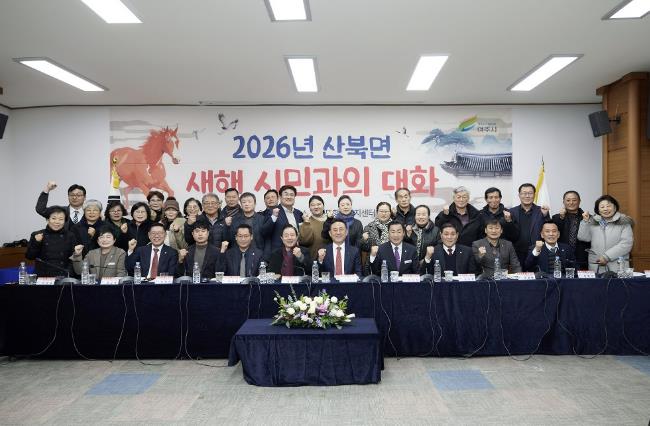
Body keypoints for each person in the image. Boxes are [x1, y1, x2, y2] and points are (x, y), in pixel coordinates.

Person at [578, 195, 634, 272]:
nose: (605, 209)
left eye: (608, 206)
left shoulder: (624, 222)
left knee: (617, 280)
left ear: (615, 208)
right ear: (598, 210)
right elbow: (583, 237)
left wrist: (606, 257)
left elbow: (626, 244)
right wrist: (585, 222)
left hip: (617, 264)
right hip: (597, 264)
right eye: (602, 207)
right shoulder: (593, 222)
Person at [25, 206, 77, 277]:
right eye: (53, 218)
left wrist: (68, 274)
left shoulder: (70, 236)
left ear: (65, 221)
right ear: (47, 219)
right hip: (43, 276)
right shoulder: (37, 234)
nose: (57, 222)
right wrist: (36, 242)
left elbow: (73, 259)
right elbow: (29, 256)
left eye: (61, 219)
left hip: (64, 275)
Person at [509, 183, 550, 267]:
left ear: (534, 195)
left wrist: (545, 215)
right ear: (519, 195)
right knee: (518, 274)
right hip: (517, 252)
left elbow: (548, 228)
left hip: (536, 250)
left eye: (530, 193)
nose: (527, 196)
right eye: (524, 193)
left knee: (537, 274)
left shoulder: (541, 210)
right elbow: (508, 232)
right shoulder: (512, 212)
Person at [224, 192, 272, 257]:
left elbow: (267, 240)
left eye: (249, 202)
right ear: (241, 205)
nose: (246, 204)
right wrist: (227, 226)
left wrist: (265, 258)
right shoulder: (235, 220)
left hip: (259, 255)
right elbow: (231, 239)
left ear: (255, 204)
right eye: (244, 202)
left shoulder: (262, 219)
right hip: (239, 256)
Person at [552, 190, 590, 267]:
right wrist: (561, 218)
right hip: (561, 256)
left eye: (574, 200)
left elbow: (589, 237)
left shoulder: (588, 218)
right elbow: (554, 235)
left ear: (579, 201)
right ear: (563, 202)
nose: (571, 203)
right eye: (568, 200)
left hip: (582, 258)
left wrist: (586, 221)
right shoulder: (556, 217)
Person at [269, 185, 303, 251]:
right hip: (279, 252)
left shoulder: (299, 213)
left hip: (296, 251)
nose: (289, 197)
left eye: (291, 195)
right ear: (280, 197)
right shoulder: (272, 212)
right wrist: (274, 217)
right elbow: (265, 232)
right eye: (286, 194)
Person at [299, 195, 328, 261]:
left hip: (329, 259)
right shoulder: (306, 222)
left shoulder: (330, 221)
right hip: (312, 260)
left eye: (319, 204)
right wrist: (306, 223)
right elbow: (305, 241)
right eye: (313, 205)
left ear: (323, 206)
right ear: (309, 208)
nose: (316, 207)